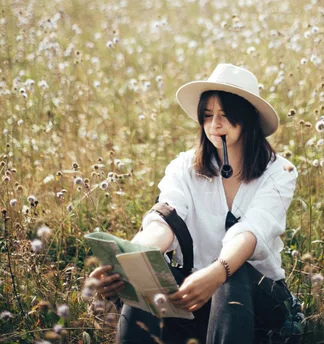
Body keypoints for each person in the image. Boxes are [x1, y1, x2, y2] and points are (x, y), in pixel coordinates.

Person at [90, 63, 299, 343]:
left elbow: (253, 231)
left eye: (226, 115)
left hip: (255, 303)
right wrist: (131, 260)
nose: (215, 125)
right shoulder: (184, 166)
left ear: (248, 119)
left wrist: (218, 271)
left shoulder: (278, 172)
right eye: (208, 115)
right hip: (194, 293)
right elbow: (166, 218)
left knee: (232, 280)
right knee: (148, 291)